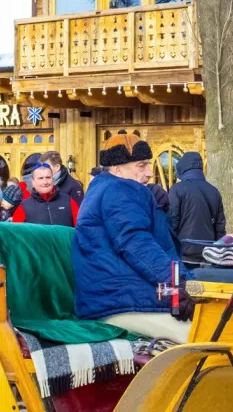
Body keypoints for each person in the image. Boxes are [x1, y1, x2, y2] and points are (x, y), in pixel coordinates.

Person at [72, 132, 189, 342]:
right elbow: (135, 243)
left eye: (149, 165)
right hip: (118, 301)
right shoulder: (118, 190)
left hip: (117, 295)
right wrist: (178, 284)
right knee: (201, 333)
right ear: (117, 169)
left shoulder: (107, 189)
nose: (149, 173)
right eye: (141, 166)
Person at [166, 151, 226, 245]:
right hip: (208, 252)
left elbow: (171, 223)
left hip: (183, 252)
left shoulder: (177, 189)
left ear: (182, 168)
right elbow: (220, 228)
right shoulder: (214, 191)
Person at [12, 161, 80, 226]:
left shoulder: (68, 201)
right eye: (40, 178)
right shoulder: (24, 207)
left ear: (53, 179)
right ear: (33, 182)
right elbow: (14, 233)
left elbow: (80, 228)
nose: (45, 182)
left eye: (48, 177)